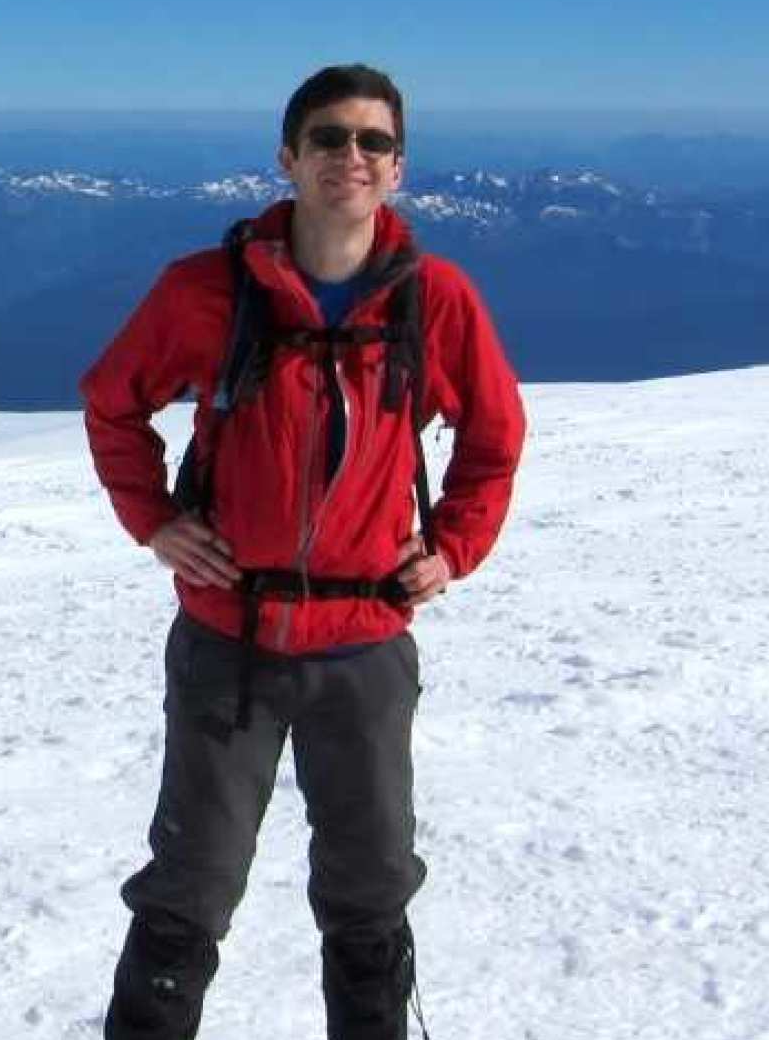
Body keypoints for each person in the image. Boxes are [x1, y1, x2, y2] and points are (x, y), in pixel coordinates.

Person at [80, 64, 526, 1040]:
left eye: (371, 142)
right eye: (328, 138)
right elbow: (112, 402)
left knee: (368, 893)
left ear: (397, 169)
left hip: (362, 642)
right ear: (287, 158)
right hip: (227, 640)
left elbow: (493, 437)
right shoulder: (204, 292)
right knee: (187, 890)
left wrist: (452, 547)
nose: (349, 157)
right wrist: (152, 521)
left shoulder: (432, 300)